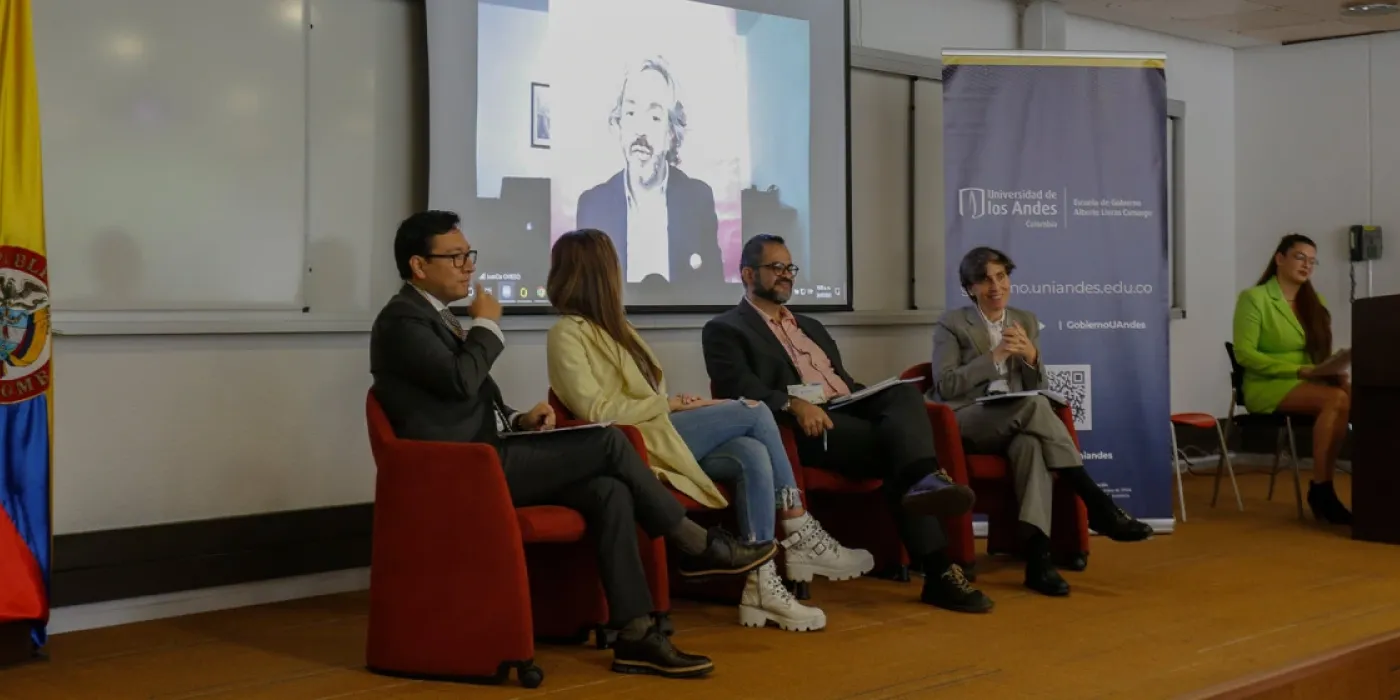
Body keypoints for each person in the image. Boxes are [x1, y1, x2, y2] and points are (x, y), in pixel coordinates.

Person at [370, 211, 776, 678]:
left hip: (486, 456)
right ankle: (695, 543)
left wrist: (519, 419)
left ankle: (635, 633)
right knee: (607, 442)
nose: (468, 266)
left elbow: (459, 401)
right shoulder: (402, 320)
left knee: (610, 490)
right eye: (456, 257)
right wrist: (487, 327)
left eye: (469, 255)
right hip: (459, 473)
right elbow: (462, 381)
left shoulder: (435, 319)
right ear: (419, 266)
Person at [545, 229, 874, 633]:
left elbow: (646, 394)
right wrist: (669, 404)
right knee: (754, 412)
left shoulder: (617, 328)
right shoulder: (566, 333)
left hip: (659, 428)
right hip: (635, 441)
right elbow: (597, 411)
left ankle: (762, 584)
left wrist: (684, 403)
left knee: (751, 453)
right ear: (597, 273)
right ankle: (797, 522)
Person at [702, 234, 992, 614]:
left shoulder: (810, 325)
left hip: (846, 407)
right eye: (776, 268)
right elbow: (737, 390)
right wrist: (793, 404)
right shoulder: (726, 329)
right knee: (897, 450)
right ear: (746, 273)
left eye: (790, 268)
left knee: (904, 394)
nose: (786, 275)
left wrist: (869, 397)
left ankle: (923, 481)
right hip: (801, 429)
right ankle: (938, 566)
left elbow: (842, 381)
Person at [929, 247, 1153, 597]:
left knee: (1031, 446)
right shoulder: (953, 324)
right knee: (1034, 410)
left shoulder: (1025, 320)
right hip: (965, 423)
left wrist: (1031, 357)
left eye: (1001, 277)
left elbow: (1038, 388)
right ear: (970, 287)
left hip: (1017, 420)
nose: (995, 286)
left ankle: (1037, 561)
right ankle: (1097, 502)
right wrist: (996, 356)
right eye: (985, 280)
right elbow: (945, 386)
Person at [576, 55, 725, 291]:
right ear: (620, 125)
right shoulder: (592, 204)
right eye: (631, 113)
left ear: (671, 134)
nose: (640, 130)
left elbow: (713, 288)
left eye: (654, 117)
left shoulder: (698, 199)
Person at [1232, 233, 1351, 524]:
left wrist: (1333, 370)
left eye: (1312, 261)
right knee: (1335, 400)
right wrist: (1298, 371)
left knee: (1358, 393)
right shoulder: (1255, 298)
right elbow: (1245, 354)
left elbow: (1316, 355)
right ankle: (1322, 488)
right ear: (1280, 259)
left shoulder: (1315, 301)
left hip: (1310, 381)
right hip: (1266, 385)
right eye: (1300, 257)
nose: (1307, 265)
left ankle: (1378, 491)